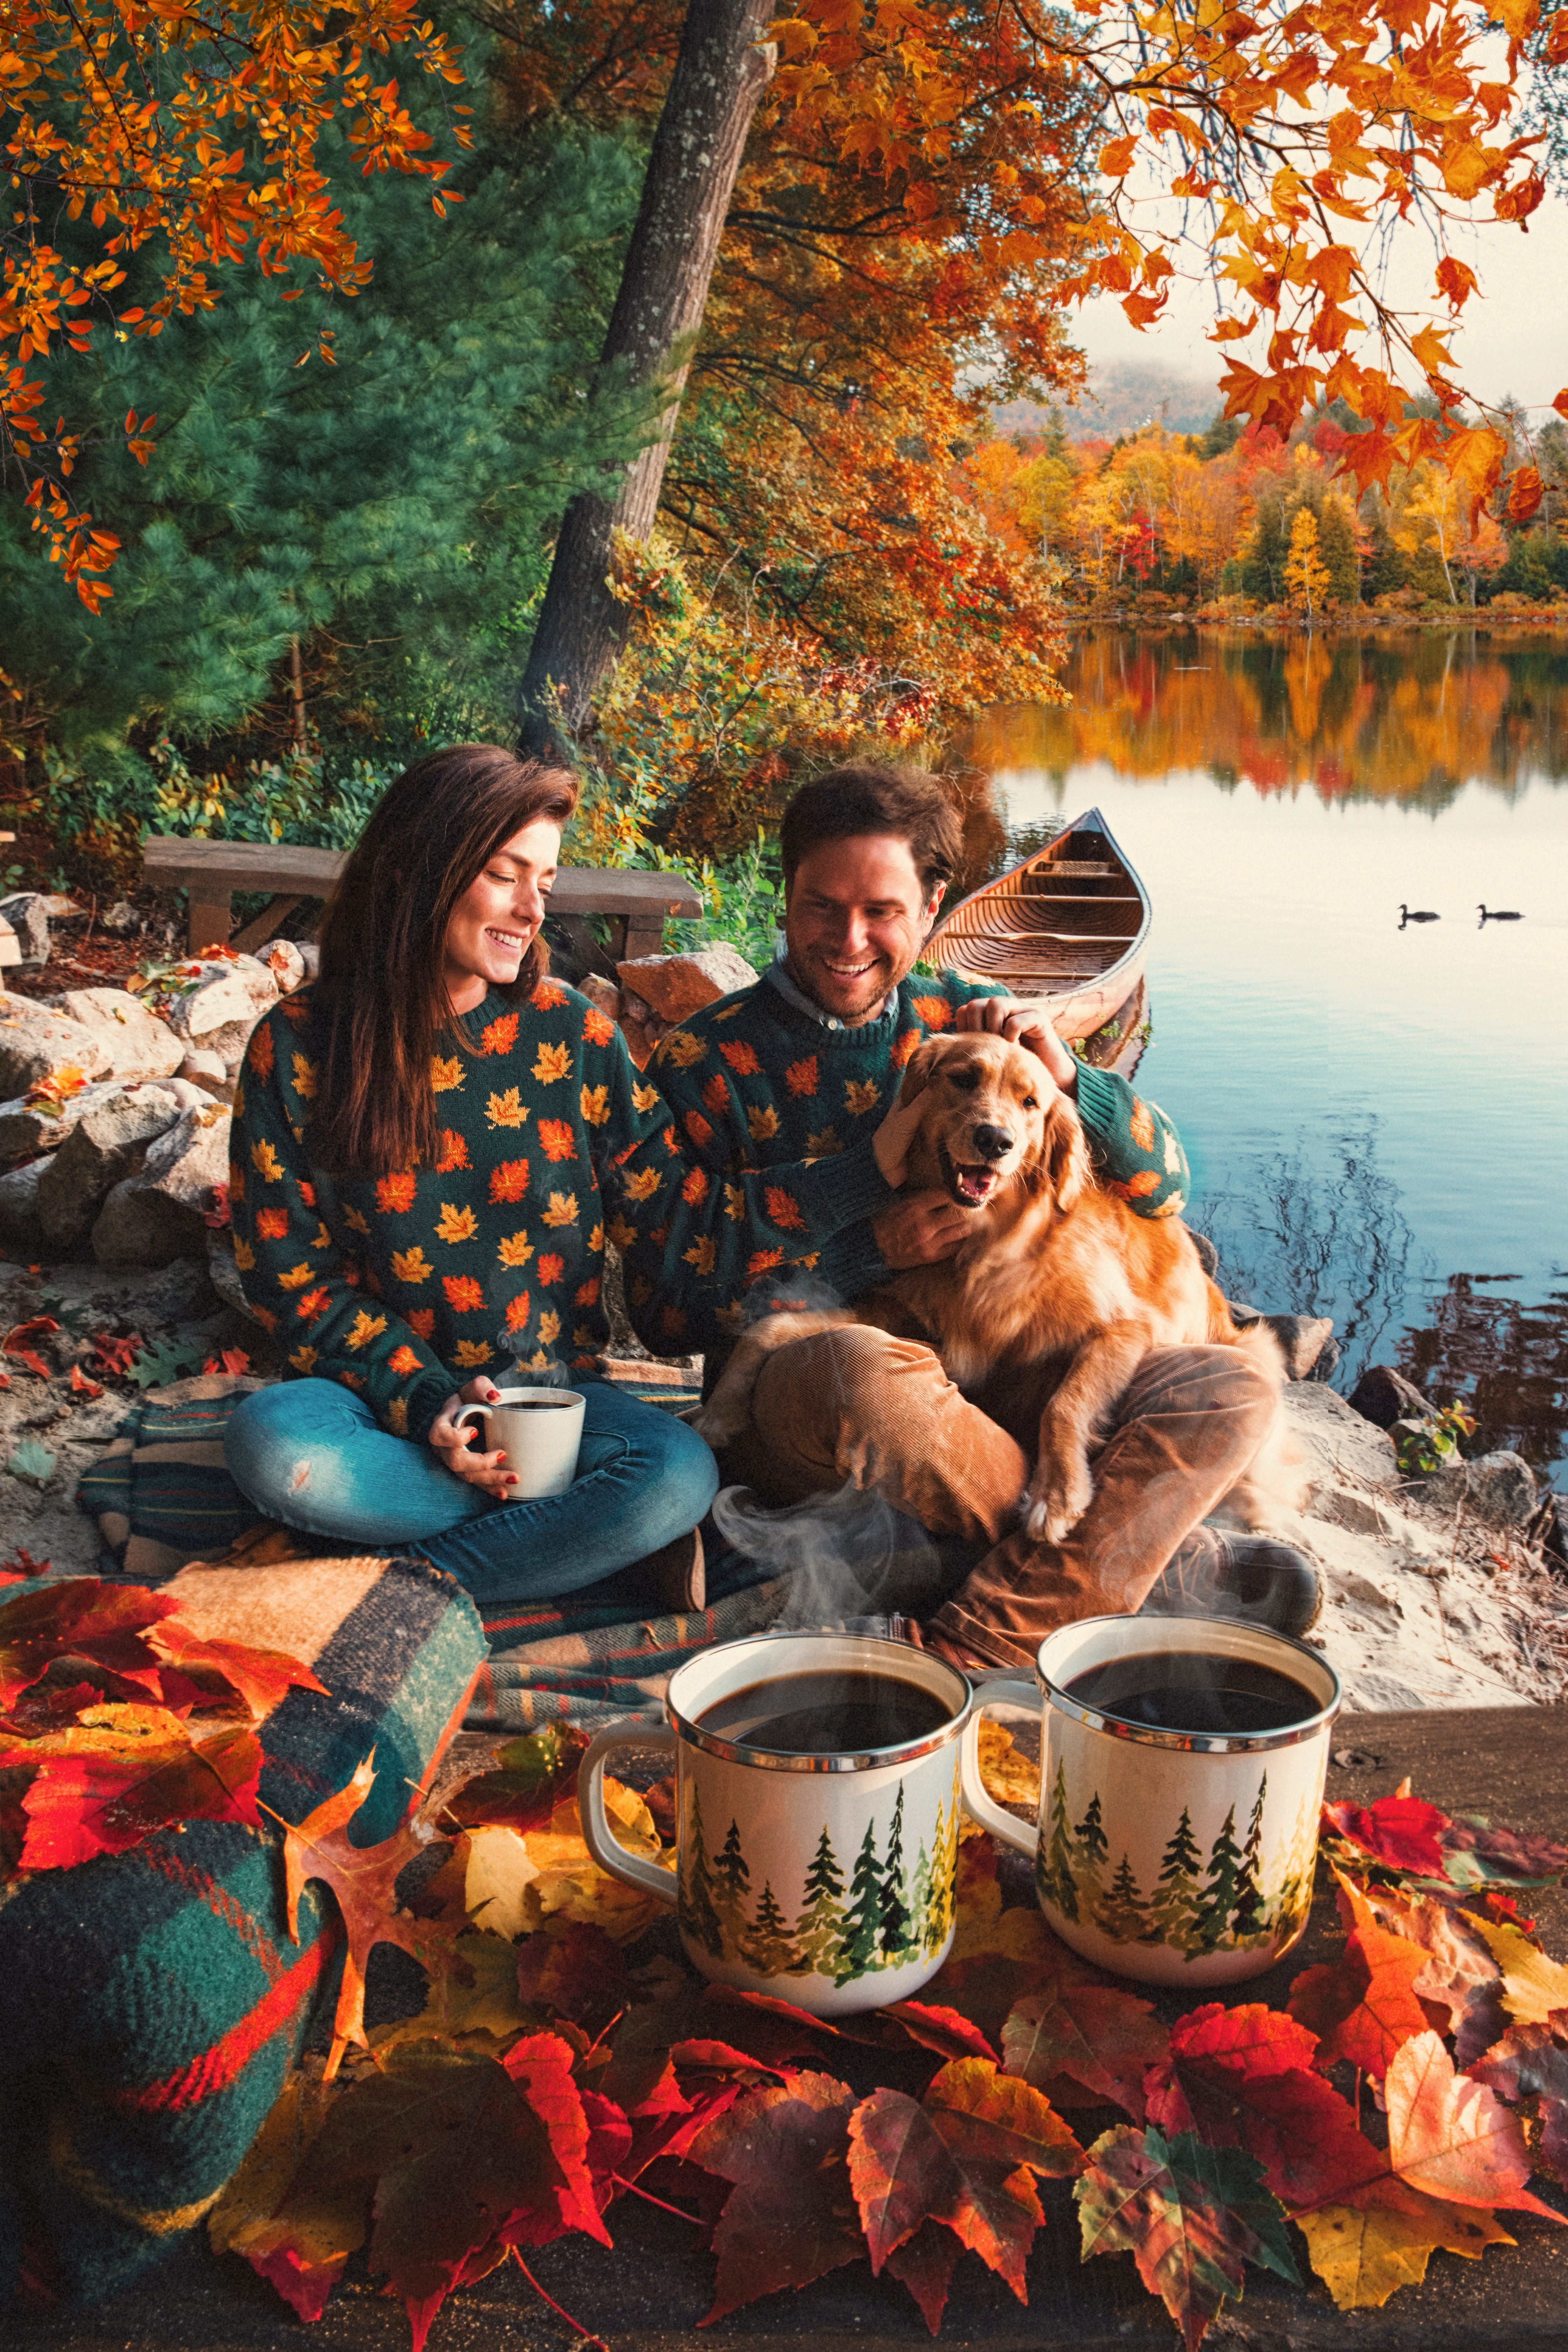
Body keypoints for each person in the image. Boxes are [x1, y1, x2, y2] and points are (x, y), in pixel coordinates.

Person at [621, 761, 1318, 1671]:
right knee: (860, 1375)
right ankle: (1144, 1563)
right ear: (786, 891)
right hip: (830, 1401)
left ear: (934, 901)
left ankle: (981, 1605)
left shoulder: (964, 1020)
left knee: (1233, 1388)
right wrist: (866, 1233)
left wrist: (1070, 1079)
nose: (848, 939)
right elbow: (666, 1306)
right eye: (822, 906)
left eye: (882, 911)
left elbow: (1168, 1186)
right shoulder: (703, 1062)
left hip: (1001, 1391)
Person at [223, 742, 720, 1620]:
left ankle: (386, 1589)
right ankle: (571, 1546)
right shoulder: (296, 1046)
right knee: (273, 1448)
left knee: (673, 1475)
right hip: (378, 1409)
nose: (533, 909)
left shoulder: (574, 1036)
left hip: (549, 1410)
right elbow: (291, 1282)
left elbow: (677, 1230)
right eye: (505, 874)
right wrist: (428, 1404)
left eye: (548, 884)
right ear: (421, 870)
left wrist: (864, 1190)